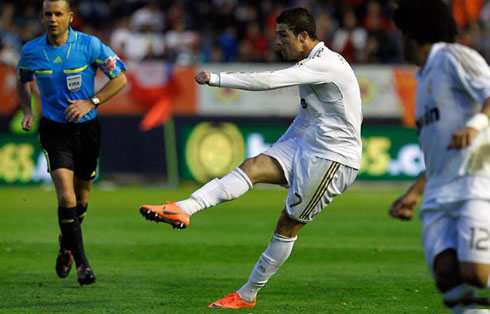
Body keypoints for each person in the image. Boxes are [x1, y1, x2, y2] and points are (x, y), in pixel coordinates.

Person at [139, 7, 362, 309]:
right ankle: (182, 208)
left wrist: (217, 77)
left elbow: (270, 81)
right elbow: (308, 117)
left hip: (334, 158)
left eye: (283, 36)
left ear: (304, 36)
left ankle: (247, 295)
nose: (278, 42)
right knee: (253, 166)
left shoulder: (326, 65)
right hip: (310, 143)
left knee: (288, 224)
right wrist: (281, 148)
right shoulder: (310, 63)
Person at [388, 0, 490, 312]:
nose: (399, 40)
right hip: (438, 192)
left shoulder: (453, 56)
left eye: (402, 32)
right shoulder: (422, 80)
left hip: (474, 182)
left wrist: (475, 125)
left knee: (476, 272)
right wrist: (415, 191)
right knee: (448, 277)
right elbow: (438, 149)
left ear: (413, 34)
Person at [16, 0, 127, 285]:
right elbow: (22, 81)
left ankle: (66, 245)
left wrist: (92, 101)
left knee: (82, 198)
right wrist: (28, 110)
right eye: (47, 14)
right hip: (54, 132)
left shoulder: (90, 45)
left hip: (87, 130)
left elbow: (120, 79)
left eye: (58, 14)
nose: (52, 19)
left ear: (70, 17)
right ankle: (83, 264)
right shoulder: (31, 51)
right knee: (66, 197)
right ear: (42, 17)